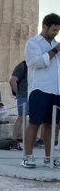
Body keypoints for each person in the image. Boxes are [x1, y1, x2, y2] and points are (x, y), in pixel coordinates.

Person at [21, 13, 60, 169]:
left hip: (56, 91)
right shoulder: (33, 43)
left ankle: (48, 157)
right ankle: (27, 156)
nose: (56, 33)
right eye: (53, 30)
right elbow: (35, 62)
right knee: (34, 123)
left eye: (58, 30)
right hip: (39, 89)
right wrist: (55, 51)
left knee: (51, 125)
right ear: (44, 26)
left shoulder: (56, 44)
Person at [9, 60, 28, 148]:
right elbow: (12, 80)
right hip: (24, 95)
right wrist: (18, 94)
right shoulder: (23, 65)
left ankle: (34, 139)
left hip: (33, 95)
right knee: (21, 117)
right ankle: (14, 140)